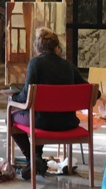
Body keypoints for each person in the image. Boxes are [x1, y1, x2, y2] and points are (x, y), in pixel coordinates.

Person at [10, 27, 87, 180]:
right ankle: (36, 159)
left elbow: (26, 97)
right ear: (57, 47)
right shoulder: (68, 66)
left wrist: (13, 97)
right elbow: (89, 90)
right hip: (68, 123)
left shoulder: (35, 63)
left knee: (11, 118)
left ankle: (33, 158)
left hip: (42, 123)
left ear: (37, 47)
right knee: (38, 114)